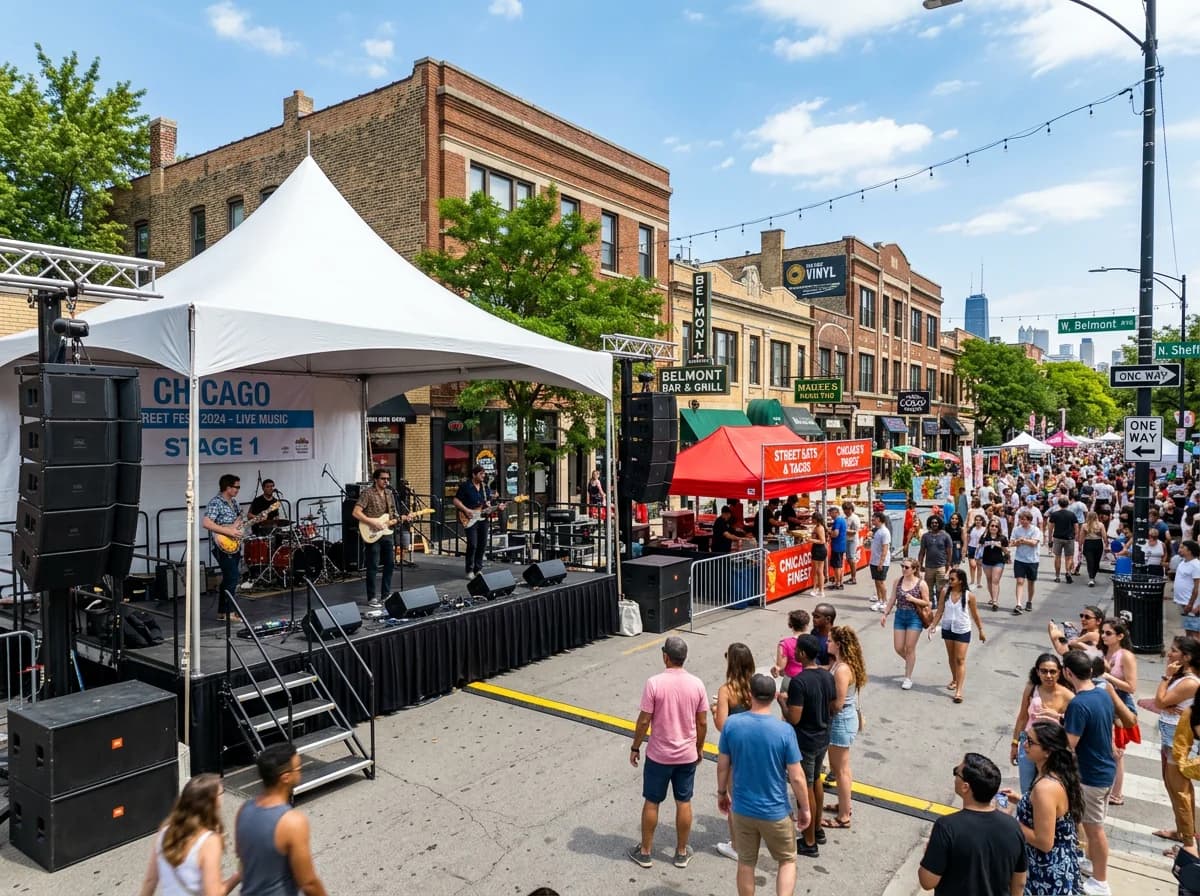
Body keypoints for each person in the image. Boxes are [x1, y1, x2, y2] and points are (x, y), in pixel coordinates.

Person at [716, 674, 811, 896]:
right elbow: (797, 777)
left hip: (743, 809)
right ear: (774, 697)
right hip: (775, 811)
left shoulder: (732, 725)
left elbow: (722, 766)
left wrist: (722, 793)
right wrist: (805, 808)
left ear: (750, 695)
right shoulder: (784, 731)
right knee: (787, 860)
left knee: (746, 863)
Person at [629, 636, 708, 870]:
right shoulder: (697, 684)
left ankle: (645, 852)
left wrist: (635, 746)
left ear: (665, 657)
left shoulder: (654, 683)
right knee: (684, 802)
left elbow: (644, 720)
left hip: (659, 755)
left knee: (652, 802)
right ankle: (682, 852)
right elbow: (702, 722)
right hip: (686, 755)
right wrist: (699, 748)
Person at [917, 753, 1027, 896]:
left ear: (965, 787)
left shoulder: (947, 827)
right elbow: (1019, 883)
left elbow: (927, 882)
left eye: (956, 772)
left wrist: (928, 855)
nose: (955, 776)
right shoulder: (1013, 827)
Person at [1000, 721, 1084, 895]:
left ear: (1048, 751)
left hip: (1045, 873)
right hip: (1054, 866)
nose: (1024, 745)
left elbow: (1044, 842)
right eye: (1025, 738)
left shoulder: (1045, 788)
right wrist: (1020, 800)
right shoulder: (1053, 775)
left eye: (1030, 742)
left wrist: (1009, 822)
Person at [236, 743, 328, 896]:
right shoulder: (292, 822)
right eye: (299, 769)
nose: (301, 773)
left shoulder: (244, 810)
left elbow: (243, 859)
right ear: (286, 777)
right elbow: (308, 883)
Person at [1061, 649, 1116, 895]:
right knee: (1093, 827)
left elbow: (1068, 744)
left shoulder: (1078, 703)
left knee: (1094, 830)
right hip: (1104, 771)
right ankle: (1094, 867)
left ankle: (1101, 881)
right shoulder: (1102, 694)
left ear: (1067, 673)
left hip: (1091, 776)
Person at [138, 773, 241, 896]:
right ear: (212, 801)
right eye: (221, 793)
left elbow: (150, 881)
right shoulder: (209, 841)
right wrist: (238, 876)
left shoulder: (165, 832)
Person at [782, 635, 836, 859]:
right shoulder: (826, 675)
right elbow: (833, 705)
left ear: (803, 654)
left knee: (806, 788)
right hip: (823, 736)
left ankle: (809, 841)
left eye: (797, 650)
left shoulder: (799, 681)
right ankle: (818, 829)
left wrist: (782, 702)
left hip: (805, 740)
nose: (794, 653)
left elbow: (794, 718)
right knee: (817, 783)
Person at [1151, 637, 1200, 857]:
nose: (1169, 654)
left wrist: (1166, 677)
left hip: (1179, 741)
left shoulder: (1189, 681)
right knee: (1173, 788)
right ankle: (1183, 832)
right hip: (1170, 735)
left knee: (1180, 791)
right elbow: (1162, 703)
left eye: (1174, 651)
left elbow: (1160, 701)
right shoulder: (1183, 678)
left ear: (1186, 657)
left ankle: (1189, 845)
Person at [713, 642, 756, 861]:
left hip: (733, 749)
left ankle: (737, 845)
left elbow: (722, 724)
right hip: (754, 746)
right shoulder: (755, 686)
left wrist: (715, 711)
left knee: (732, 797)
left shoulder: (726, 690)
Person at [1011, 654, 1075, 796]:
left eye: (1052, 671)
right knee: (1026, 788)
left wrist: (1057, 717)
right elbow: (1022, 717)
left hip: (1052, 749)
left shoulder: (1069, 696)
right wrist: (1015, 744)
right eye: (1044, 671)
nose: (1048, 675)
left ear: (1060, 672)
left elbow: (1073, 727)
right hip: (1027, 744)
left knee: (1047, 788)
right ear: (1037, 672)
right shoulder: (1031, 688)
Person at [824, 626, 866, 831]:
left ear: (838, 645)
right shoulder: (841, 664)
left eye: (830, 640)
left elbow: (838, 704)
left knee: (839, 769)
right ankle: (844, 804)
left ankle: (843, 817)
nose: (827, 643)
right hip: (844, 720)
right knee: (842, 768)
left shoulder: (842, 669)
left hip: (840, 721)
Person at [928, 568, 986, 705]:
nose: (950, 581)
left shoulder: (969, 596)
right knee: (951, 657)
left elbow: (975, 615)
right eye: (949, 579)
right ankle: (955, 679)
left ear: (960, 580)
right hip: (948, 628)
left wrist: (981, 630)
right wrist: (932, 626)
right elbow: (940, 610)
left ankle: (958, 691)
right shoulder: (945, 592)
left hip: (962, 629)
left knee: (960, 659)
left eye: (952, 579)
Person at [1100, 619, 1140, 807]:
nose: (1103, 636)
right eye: (1103, 632)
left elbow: (1131, 687)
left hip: (1120, 706)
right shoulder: (1102, 651)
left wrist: (1109, 677)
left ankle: (1117, 793)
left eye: (1108, 633)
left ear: (1120, 636)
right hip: (1103, 704)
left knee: (1117, 753)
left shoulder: (1126, 656)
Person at [880, 559, 931, 690]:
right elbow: (892, 599)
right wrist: (885, 614)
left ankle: (907, 677)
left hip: (914, 617)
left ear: (914, 569)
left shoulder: (921, 584)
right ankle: (910, 661)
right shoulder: (898, 581)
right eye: (902, 566)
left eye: (906, 567)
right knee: (898, 647)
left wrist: (913, 599)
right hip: (900, 615)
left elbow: (926, 602)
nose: (903, 569)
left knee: (909, 647)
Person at [353, 469, 399, 607]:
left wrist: (401, 518)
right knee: (373, 565)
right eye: (383, 478)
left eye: (388, 479)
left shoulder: (389, 494)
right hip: (371, 532)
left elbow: (393, 515)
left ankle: (386, 595)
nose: (386, 481)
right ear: (376, 479)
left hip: (386, 532)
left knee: (390, 564)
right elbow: (356, 512)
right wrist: (371, 522)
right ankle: (372, 597)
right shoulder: (367, 493)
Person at [202, 474, 245, 623]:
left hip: (234, 544)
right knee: (232, 577)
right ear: (227, 487)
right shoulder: (216, 503)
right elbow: (207, 523)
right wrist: (228, 531)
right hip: (222, 545)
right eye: (236, 487)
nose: (238, 490)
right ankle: (228, 612)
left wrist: (239, 525)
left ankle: (222, 612)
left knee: (229, 578)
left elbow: (237, 521)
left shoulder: (234, 503)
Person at [917, 514, 953, 609]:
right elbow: (922, 552)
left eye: (936, 523)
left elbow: (949, 551)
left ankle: (941, 605)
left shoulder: (945, 536)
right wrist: (919, 565)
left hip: (941, 566)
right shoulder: (925, 536)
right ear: (930, 524)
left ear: (939, 524)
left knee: (940, 588)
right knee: (928, 588)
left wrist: (948, 565)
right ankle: (931, 604)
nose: (934, 524)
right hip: (929, 567)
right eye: (932, 523)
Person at [1010, 509, 1042, 616]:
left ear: (1029, 520)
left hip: (1032, 560)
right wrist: (1017, 542)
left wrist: (1023, 540)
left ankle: (1029, 601)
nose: (1022, 521)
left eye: (1024, 520)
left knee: (1031, 582)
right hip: (1020, 559)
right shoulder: (1016, 529)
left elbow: (1034, 543)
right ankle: (1018, 604)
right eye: (1021, 519)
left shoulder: (1036, 530)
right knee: (1019, 581)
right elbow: (1012, 543)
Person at [770, 609, 810, 691]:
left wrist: (777, 669)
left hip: (791, 679)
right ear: (807, 625)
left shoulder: (784, 644)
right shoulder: (812, 640)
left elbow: (780, 667)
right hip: (809, 679)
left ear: (790, 625)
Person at [977, 518, 1008, 612]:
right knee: (989, 580)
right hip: (986, 561)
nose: (994, 528)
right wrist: (984, 545)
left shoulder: (1002, 538)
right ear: (989, 527)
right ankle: (992, 597)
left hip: (998, 561)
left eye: (996, 526)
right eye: (992, 526)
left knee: (995, 580)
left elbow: (1007, 551)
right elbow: (979, 548)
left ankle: (995, 601)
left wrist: (1000, 546)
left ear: (999, 528)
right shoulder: (984, 536)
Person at [1047, 496, 1079, 584]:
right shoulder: (1072, 514)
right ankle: (1068, 572)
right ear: (1067, 504)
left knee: (1057, 557)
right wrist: (1076, 536)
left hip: (1057, 537)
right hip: (1069, 538)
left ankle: (1057, 576)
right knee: (1069, 557)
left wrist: (1050, 539)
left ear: (1059, 504)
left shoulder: (1055, 514)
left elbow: (1050, 528)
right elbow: (1076, 527)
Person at [868, 510, 892, 613]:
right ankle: (879, 600)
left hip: (881, 561)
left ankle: (885, 602)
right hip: (874, 560)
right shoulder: (877, 531)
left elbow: (885, 548)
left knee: (881, 582)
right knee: (876, 581)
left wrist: (881, 563)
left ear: (878, 519)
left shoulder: (885, 532)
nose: (872, 521)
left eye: (873, 519)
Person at [1176, 541, 1200, 641]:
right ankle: (1190, 652)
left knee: (1194, 632)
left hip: (1191, 604)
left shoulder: (1196, 565)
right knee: (1188, 630)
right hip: (1183, 602)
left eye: (1182, 548)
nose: (1179, 549)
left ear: (1189, 551)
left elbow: (1197, 587)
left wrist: (1191, 604)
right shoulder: (1182, 562)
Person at [1079, 511, 1107, 587]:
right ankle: (1092, 577)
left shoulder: (1084, 525)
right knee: (1096, 562)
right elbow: (1104, 536)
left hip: (1088, 544)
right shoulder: (1100, 525)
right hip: (1098, 543)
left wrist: (1080, 545)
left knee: (1090, 561)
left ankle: (1091, 578)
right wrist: (1106, 544)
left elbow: (1081, 537)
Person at [827, 505, 848, 591]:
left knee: (837, 566)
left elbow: (835, 533)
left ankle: (838, 583)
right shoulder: (842, 519)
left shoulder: (837, 521)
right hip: (841, 545)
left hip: (837, 545)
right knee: (839, 565)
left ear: (835, 512)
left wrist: (829, 532)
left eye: (831, 513)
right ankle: (840, 581)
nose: (830, 515)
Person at [808, 512, 828, 598]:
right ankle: (819, 590)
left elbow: (822, 541)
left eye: (813, 518)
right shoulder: (819, 527)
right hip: (820, 550)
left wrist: (810, 540)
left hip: (818, 549)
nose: (811, 520)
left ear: (816, 519)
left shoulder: (819, 528)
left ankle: (817, 589)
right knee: (819, 571)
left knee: (817, 571)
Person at [842, 502, 862, 586]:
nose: (846, 512)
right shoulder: (846, 518)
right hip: (847, 540)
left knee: (851, 559)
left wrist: (844, 530)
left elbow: (854, 532)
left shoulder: (854, 518)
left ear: (851, 509)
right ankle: (852, 576)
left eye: (847, 510)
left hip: (852, 540)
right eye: (845, 510)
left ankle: (853, 577)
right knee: (849, 558)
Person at [966, 513, 987, 588]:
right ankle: (972, 580)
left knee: (979, 566)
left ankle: (978, 582)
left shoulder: (984, 529)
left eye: (979, 520)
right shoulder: (972, 529)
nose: (978, 522)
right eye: (976, 520)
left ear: (982, 521)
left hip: (980, 549)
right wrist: (965, 548)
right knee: (972, 565)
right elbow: (968, 539)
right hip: (971, 547)